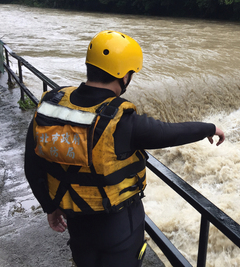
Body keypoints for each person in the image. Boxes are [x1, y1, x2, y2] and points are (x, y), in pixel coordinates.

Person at [24, 30, 225, 267]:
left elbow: (32, 166)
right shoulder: (121, 121)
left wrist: (50, 206)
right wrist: (210, 128)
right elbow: (169, 133)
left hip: (77, 221)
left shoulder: (50, 106)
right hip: (118, 227)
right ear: (124, 75)